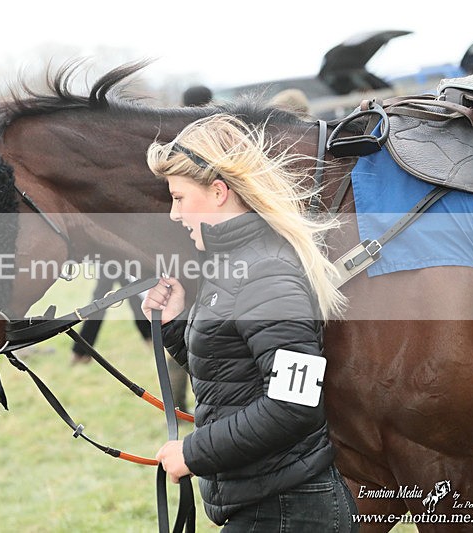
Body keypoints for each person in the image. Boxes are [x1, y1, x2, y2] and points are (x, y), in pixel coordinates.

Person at [142, 114, 357, 531]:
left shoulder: (267, 272)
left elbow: (294, 404)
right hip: (266, 504)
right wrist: (174, 325)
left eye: (179, 198)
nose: (173, 213)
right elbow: (231, 378)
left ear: (218, 192)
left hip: (290, 511)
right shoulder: (234, 265)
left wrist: (193, 453)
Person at [70, 274, 152, 365]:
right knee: (102, 298)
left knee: (133, 295)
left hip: (120, 261)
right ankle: (81, 352)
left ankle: (81, 352)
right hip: (112, 262)